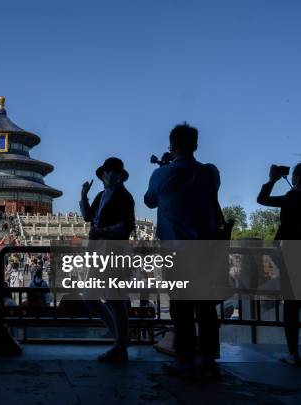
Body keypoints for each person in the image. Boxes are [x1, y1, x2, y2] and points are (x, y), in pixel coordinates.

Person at [144, 123, 222, 378]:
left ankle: (185, 360)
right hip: (206, 248)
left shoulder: (162, 174)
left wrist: (164, 167)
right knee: (206, 308)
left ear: (170, 145)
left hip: (177, 249)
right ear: (196, 145)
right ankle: (209, 360)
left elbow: (149, 199)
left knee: (182, 307)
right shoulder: (209, 172)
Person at [80, 157, 135, 362]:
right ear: (103, 176)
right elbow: (88, 216)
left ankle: (120, 345)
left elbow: (127, 226)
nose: (110, 175)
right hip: (99, 250)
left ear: (121, 176)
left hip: (115, 250)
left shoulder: (124, 197)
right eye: (107, 172)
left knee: (115, 297)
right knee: (91, 297)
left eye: (114, 172)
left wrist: (102, 230)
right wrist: (84, 195)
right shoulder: (101, 195)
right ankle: (121, 339)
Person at [257, 163, 301, 365]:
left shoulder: (292, 197)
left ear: (296, 178)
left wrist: (272, 180)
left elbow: (262, 199)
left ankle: (293, 353)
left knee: (291, 306)